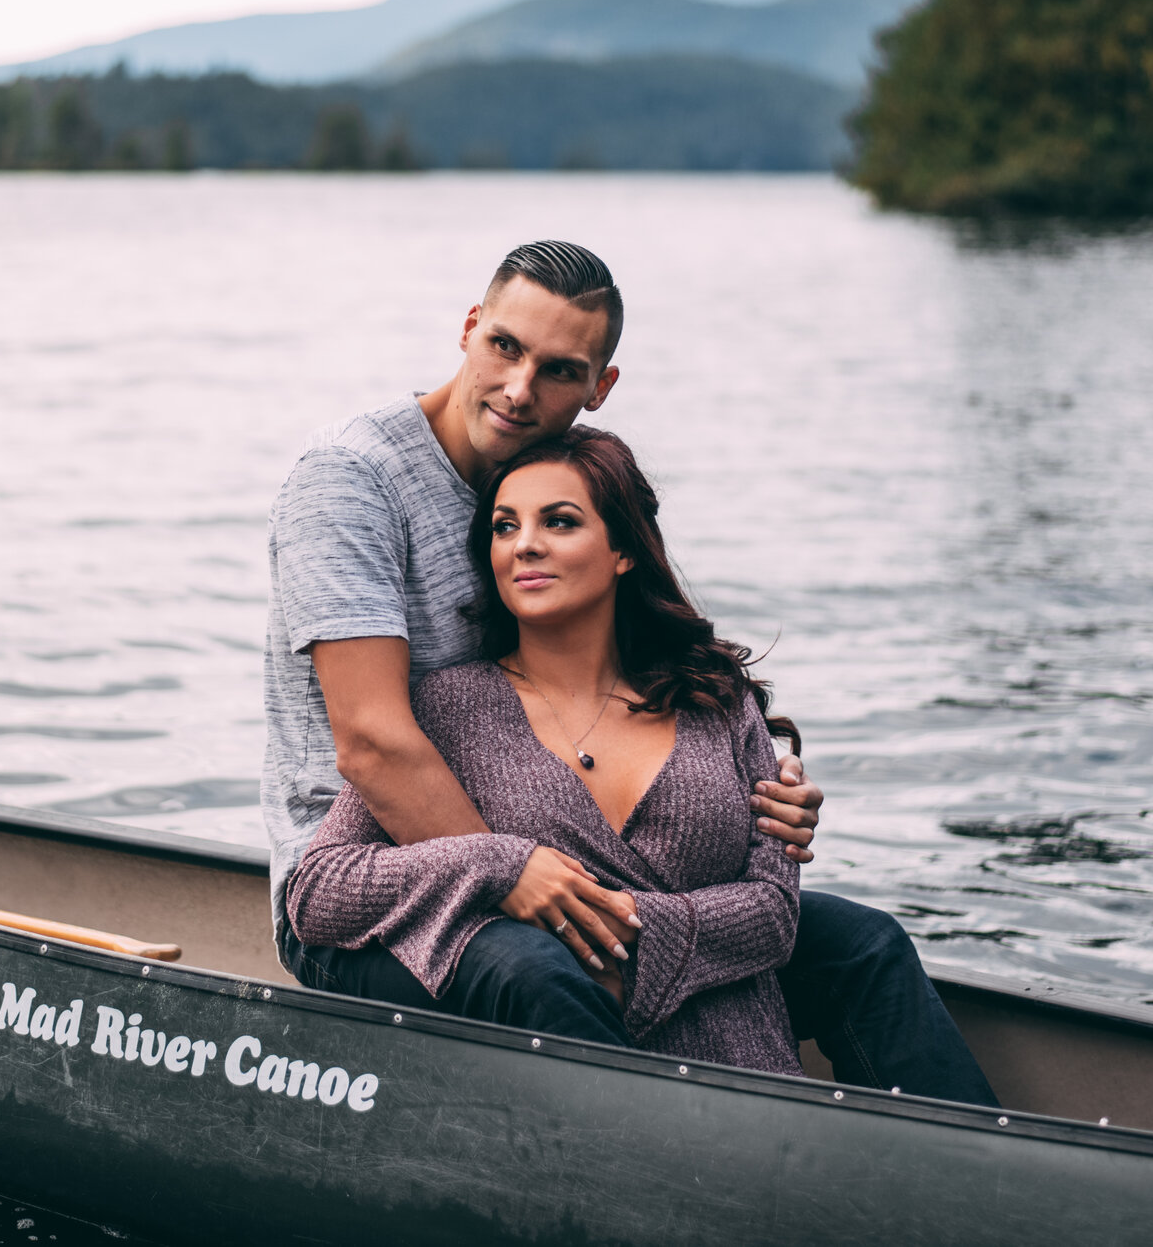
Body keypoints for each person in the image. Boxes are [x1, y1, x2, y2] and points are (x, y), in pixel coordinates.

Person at [262, 241, 994, 1099]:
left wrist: (751, 792)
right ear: (468, 329)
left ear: (597, 388)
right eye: (504, 346)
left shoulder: (555, 474)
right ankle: (677, 1182)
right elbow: (375, 743)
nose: (520, 389)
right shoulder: (352, 482)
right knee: (542, 969)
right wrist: (522, 881)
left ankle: (996, 1190)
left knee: (861, 943)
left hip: (574, 861)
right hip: (381, 892)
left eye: (558, 369)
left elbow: (643, 657)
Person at [286, 428, 803, 1072]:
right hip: (579, 1080)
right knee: (536, 973)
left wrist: (632, 941)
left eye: (558, 522)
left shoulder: (715, 701)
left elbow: (776, 910)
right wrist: (497, 863)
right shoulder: (450, 708)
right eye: (505, 527)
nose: (525, 544)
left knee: (872, 944)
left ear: (623, 551)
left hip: (745, 1062)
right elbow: (319, 892)